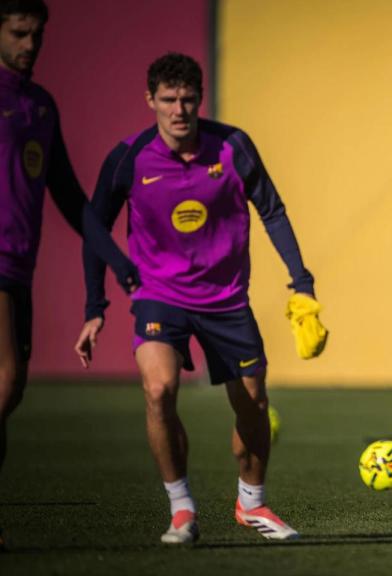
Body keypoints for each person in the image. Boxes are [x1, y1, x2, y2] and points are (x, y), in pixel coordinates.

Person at [74, 53, 316, 544]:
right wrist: (95, 306)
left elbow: (272, 210)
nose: (179, 109)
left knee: (252, 401)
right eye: (168, 100)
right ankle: (181, 508)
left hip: (227, 299)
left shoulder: (233, 146)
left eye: (187, 99)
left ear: (199, 99)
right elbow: (93, 227)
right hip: (159, 296)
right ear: (151, 101)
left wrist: (301, 279)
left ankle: (252, 503)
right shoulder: (130, 157)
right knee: (159, 390)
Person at [0, 0, 137, 547]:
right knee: (6, 379)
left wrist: (117, 257)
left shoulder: (40, 106)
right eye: (17, 33)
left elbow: (72, 199)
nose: (29, 44)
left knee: (11, 395)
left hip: (18, 267)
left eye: (36, 35)